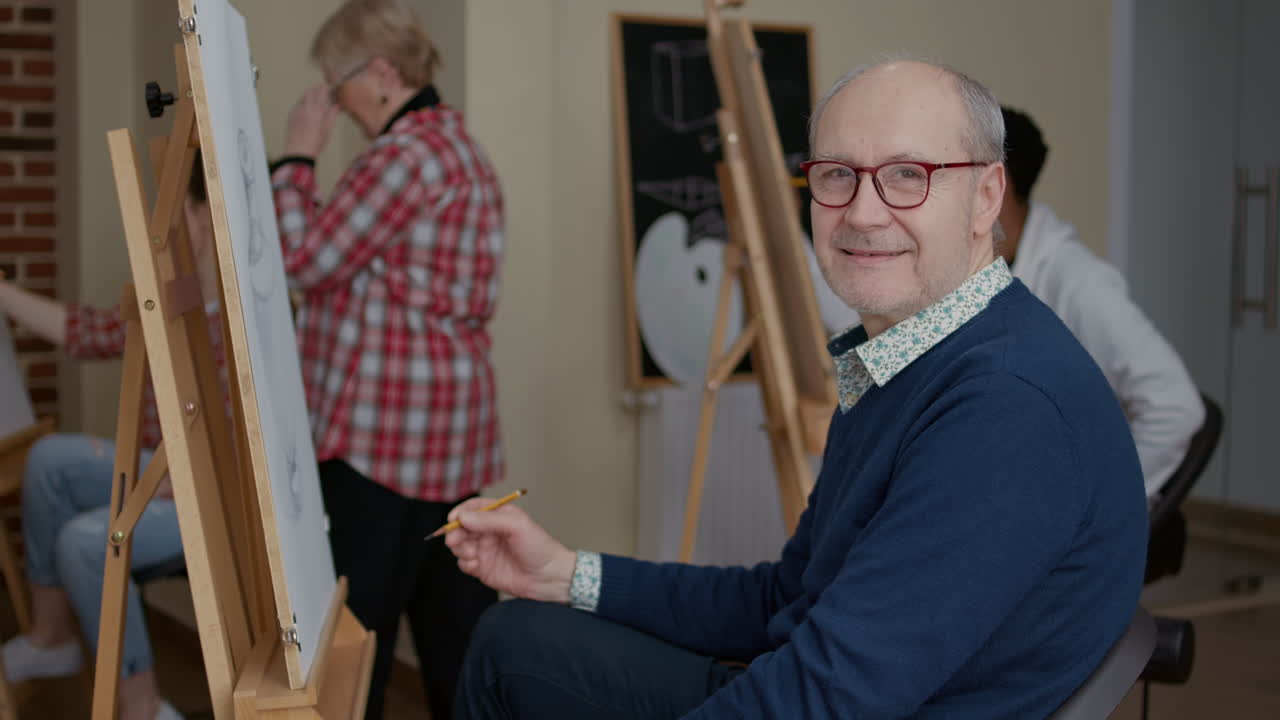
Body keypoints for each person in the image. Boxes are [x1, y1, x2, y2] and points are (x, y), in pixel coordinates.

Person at [445, 58, 1149, 719]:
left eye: (908, 175)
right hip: (817, 685)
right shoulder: (905, 353)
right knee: (514, 640)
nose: (864, 214)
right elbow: (788, 596)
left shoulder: (1005, 409)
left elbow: (823, 699)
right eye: (838, 174)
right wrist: (565, 574)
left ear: (985, 196)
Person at [270, 1, 505, 717]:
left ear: (379, 73)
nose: (331, 100)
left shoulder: (405, 157)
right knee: (453, 633)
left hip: (385, 441)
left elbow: (302, 260)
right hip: (449, 439)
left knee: (355, 642)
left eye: (334, 82)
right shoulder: (459, 148)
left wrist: (297, 155)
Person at [0, 156, 222, 720]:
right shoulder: (179, 301)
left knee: (87, 540)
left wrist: (183, 479)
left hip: (216, 494)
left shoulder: (253, 324)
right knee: (47, 459)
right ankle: (51, 642)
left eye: (187, 218)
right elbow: (85, 331)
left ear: (204, 219)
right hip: (162, 468)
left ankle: (144, 708)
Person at [998, 106, 1204, 501]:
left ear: (996, 185)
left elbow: (1176, 407)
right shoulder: (986, 272)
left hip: (1049, 509)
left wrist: (1093, 504)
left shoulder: (1079, 283)